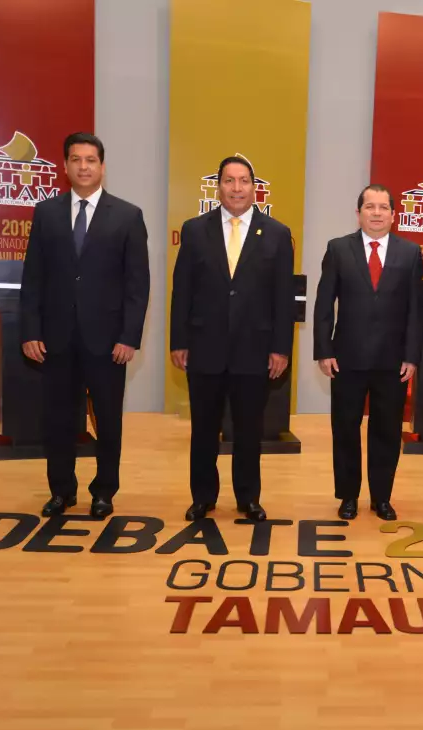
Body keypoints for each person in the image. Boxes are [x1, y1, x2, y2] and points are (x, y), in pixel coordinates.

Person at [20, 132, 149, 520]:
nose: (84, 166)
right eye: (76, 159)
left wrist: (129, 336)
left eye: (91, 160)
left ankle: (104, 492)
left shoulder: (127, 215)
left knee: (108, 421)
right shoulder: (46, 213)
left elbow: (137, 284)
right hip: (56, 340)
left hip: (108, 342)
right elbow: (34, 279)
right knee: (59, 419)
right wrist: (30, 330)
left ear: (102, 166)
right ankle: (61, 491)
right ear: (65, 166)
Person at [169, 156, 294, 522]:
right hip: (204, 347)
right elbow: (183, 291)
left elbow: (283, 298)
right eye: (229, 180)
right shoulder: (194, 230)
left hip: (254, 349)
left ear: (255, 188)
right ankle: (203, 497)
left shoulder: (276, 233)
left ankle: (248, 498)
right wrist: (179, 340)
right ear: (218, 186)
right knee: (204, 429)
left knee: (248, 431)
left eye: (243, 181)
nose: (236, 188)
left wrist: (280, 348)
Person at [314, 184, 423, 522]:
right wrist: (323, 349)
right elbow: (323, 304)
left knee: (387, 431)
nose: (376, 213)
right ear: (358, 212)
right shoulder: (338, 249)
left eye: (383, 208)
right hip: (346, 358)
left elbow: (415, 311)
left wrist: (412, 355)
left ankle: (382, 497)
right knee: (345, 429)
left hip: (392, 361)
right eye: (369, 207)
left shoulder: (410, 253)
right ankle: (348, 496)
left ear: (394, 215)